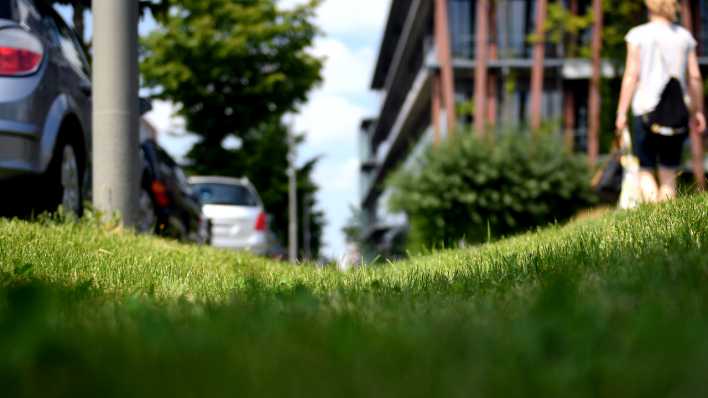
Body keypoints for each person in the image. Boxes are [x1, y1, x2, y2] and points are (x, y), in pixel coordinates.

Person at [615, 0, 706, 202]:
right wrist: (698, 111)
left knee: (645, 169)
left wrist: (621, 112)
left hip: (644, 110)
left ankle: (654, 222)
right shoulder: (684, 37)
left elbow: (631, 75)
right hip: (677, 114)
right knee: (669, 172)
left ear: (649, 6)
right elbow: (695, 77)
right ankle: (666, 221)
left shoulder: (638, 34)